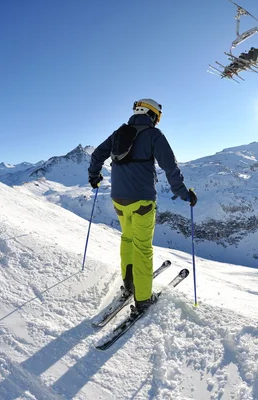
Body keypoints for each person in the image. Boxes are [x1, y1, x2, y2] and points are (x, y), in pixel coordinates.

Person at [87, 98, 197, 313]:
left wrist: (94, 176)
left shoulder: (119, 133)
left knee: (127, 240)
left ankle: (129, 285)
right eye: (158, 116)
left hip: (118, 200)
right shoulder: (154, 135)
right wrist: (184, 194)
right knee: (143, 248)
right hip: (142, 201)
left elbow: (97, 155)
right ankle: (144, 298)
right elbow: (170, 167)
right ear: (152, 114)